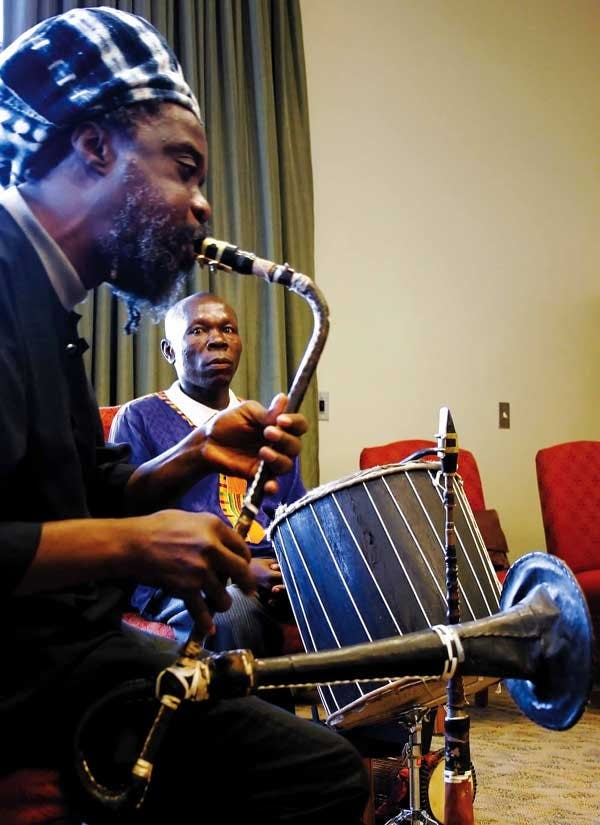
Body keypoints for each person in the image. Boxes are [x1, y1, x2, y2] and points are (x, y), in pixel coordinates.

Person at [0, 8, 368, 825]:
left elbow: (85, 495)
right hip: (29, 677)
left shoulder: (49, 295)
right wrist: (136, 543)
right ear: (94, 146)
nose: (201, 207)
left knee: (326, 766)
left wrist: (199, 451)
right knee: (315, 780)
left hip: (68, 660)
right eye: (185, 168)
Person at [110, 291, 305, 657]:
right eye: (198, 330)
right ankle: (252, 715)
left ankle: (366, 716)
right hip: (183, 577)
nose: (218, 339)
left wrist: (294, 575)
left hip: (272, 575)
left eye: (228, 329)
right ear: (169, 351)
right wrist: (241, 568)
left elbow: (294, 521)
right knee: (234, 611)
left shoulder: (265, 426)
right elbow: (131, 522)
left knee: (366, 595)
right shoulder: (139, 419)